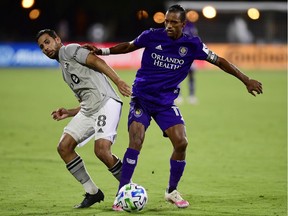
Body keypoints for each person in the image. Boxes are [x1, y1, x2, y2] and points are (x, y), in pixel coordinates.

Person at [84, 4, 263, 210]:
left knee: (181, 143)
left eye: (173, 22)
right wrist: (102, 51)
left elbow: (220, 61)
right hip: (142, 98)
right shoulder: (151, 36)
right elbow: (128, 46)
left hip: (165, 103)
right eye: (166, 21)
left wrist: (245, 79)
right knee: (136, 141)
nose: (168, 25)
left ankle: (171, 191)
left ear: (183, 24)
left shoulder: (192, 44)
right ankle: (121, 193)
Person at [36, 29, 131, 209]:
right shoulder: (64, 69)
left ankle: (129, 188)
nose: (45, 48)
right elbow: (85, 100)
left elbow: (97, 61)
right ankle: (93, 192)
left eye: (47, 42)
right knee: (64, 147)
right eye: (42, 46)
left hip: (106, 102)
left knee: (102, 150)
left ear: (57, 39)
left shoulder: (70, 50)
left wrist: (118, 81)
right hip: (89, 109)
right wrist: (69, 112)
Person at [176, 20, 199, 105]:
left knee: (191, 75)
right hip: (179, 56)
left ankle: (192, 95)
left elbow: (195, 39)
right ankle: (178, 96)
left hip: (189, 56)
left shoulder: (190, 26)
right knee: (178, 76)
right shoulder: (176, 25)